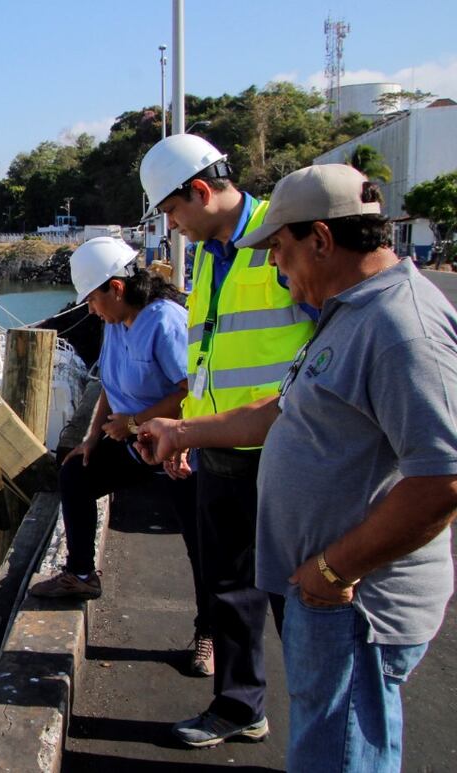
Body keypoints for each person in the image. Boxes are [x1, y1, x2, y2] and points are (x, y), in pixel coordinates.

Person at [136, 163, 457, 772]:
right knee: (327, 744)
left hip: (357, 602)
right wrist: (184, 430)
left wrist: (332, 571)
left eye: (281, 251)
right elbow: (283, 409)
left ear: (322, 240)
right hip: (331, 593)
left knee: (338, 754)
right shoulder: (351, 312)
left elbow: (442, 478)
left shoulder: (401, 329)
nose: (277, 267)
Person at [137, 134, 315, 746]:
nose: (171, 224)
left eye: (172, 210)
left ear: (201, 191)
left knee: (301, 593)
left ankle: (323, 728)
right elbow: (207, 355)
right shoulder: (212, 254)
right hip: (219, 447)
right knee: (228, 586)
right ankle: (239, 706)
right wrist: (190, 429)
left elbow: (328, 341)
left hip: (285, 447)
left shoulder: (280, 237)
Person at [29, 237, 212, 677]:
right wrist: (93, 438)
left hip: (177, 441)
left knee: (200, 541)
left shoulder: (165, 321)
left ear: (115, 287)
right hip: (130, 438)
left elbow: (189, 390)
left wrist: (135, 423)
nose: (90, 310)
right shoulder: (115, 323)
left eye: (93, 299)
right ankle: (81, 573)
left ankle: (210, 632)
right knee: (76, 473)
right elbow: (109, 384)